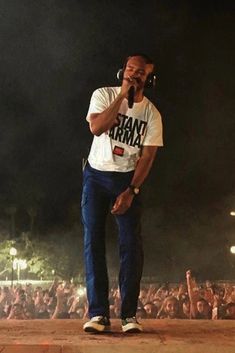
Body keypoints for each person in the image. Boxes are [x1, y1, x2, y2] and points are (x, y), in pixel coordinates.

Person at [81, 53, 163, 333]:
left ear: (149, 79)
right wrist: (121, 97)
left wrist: (131, 190)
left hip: (127, 178)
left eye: (140, 73)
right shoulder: (103, 95)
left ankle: (128, 315)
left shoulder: (152, 114)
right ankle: (98, 314)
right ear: (122, 71)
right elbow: (96, 127)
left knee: (130, 245)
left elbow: (148, 157)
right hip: (95, 175)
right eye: (130, 69)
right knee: (93, 241)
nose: (134, 75)